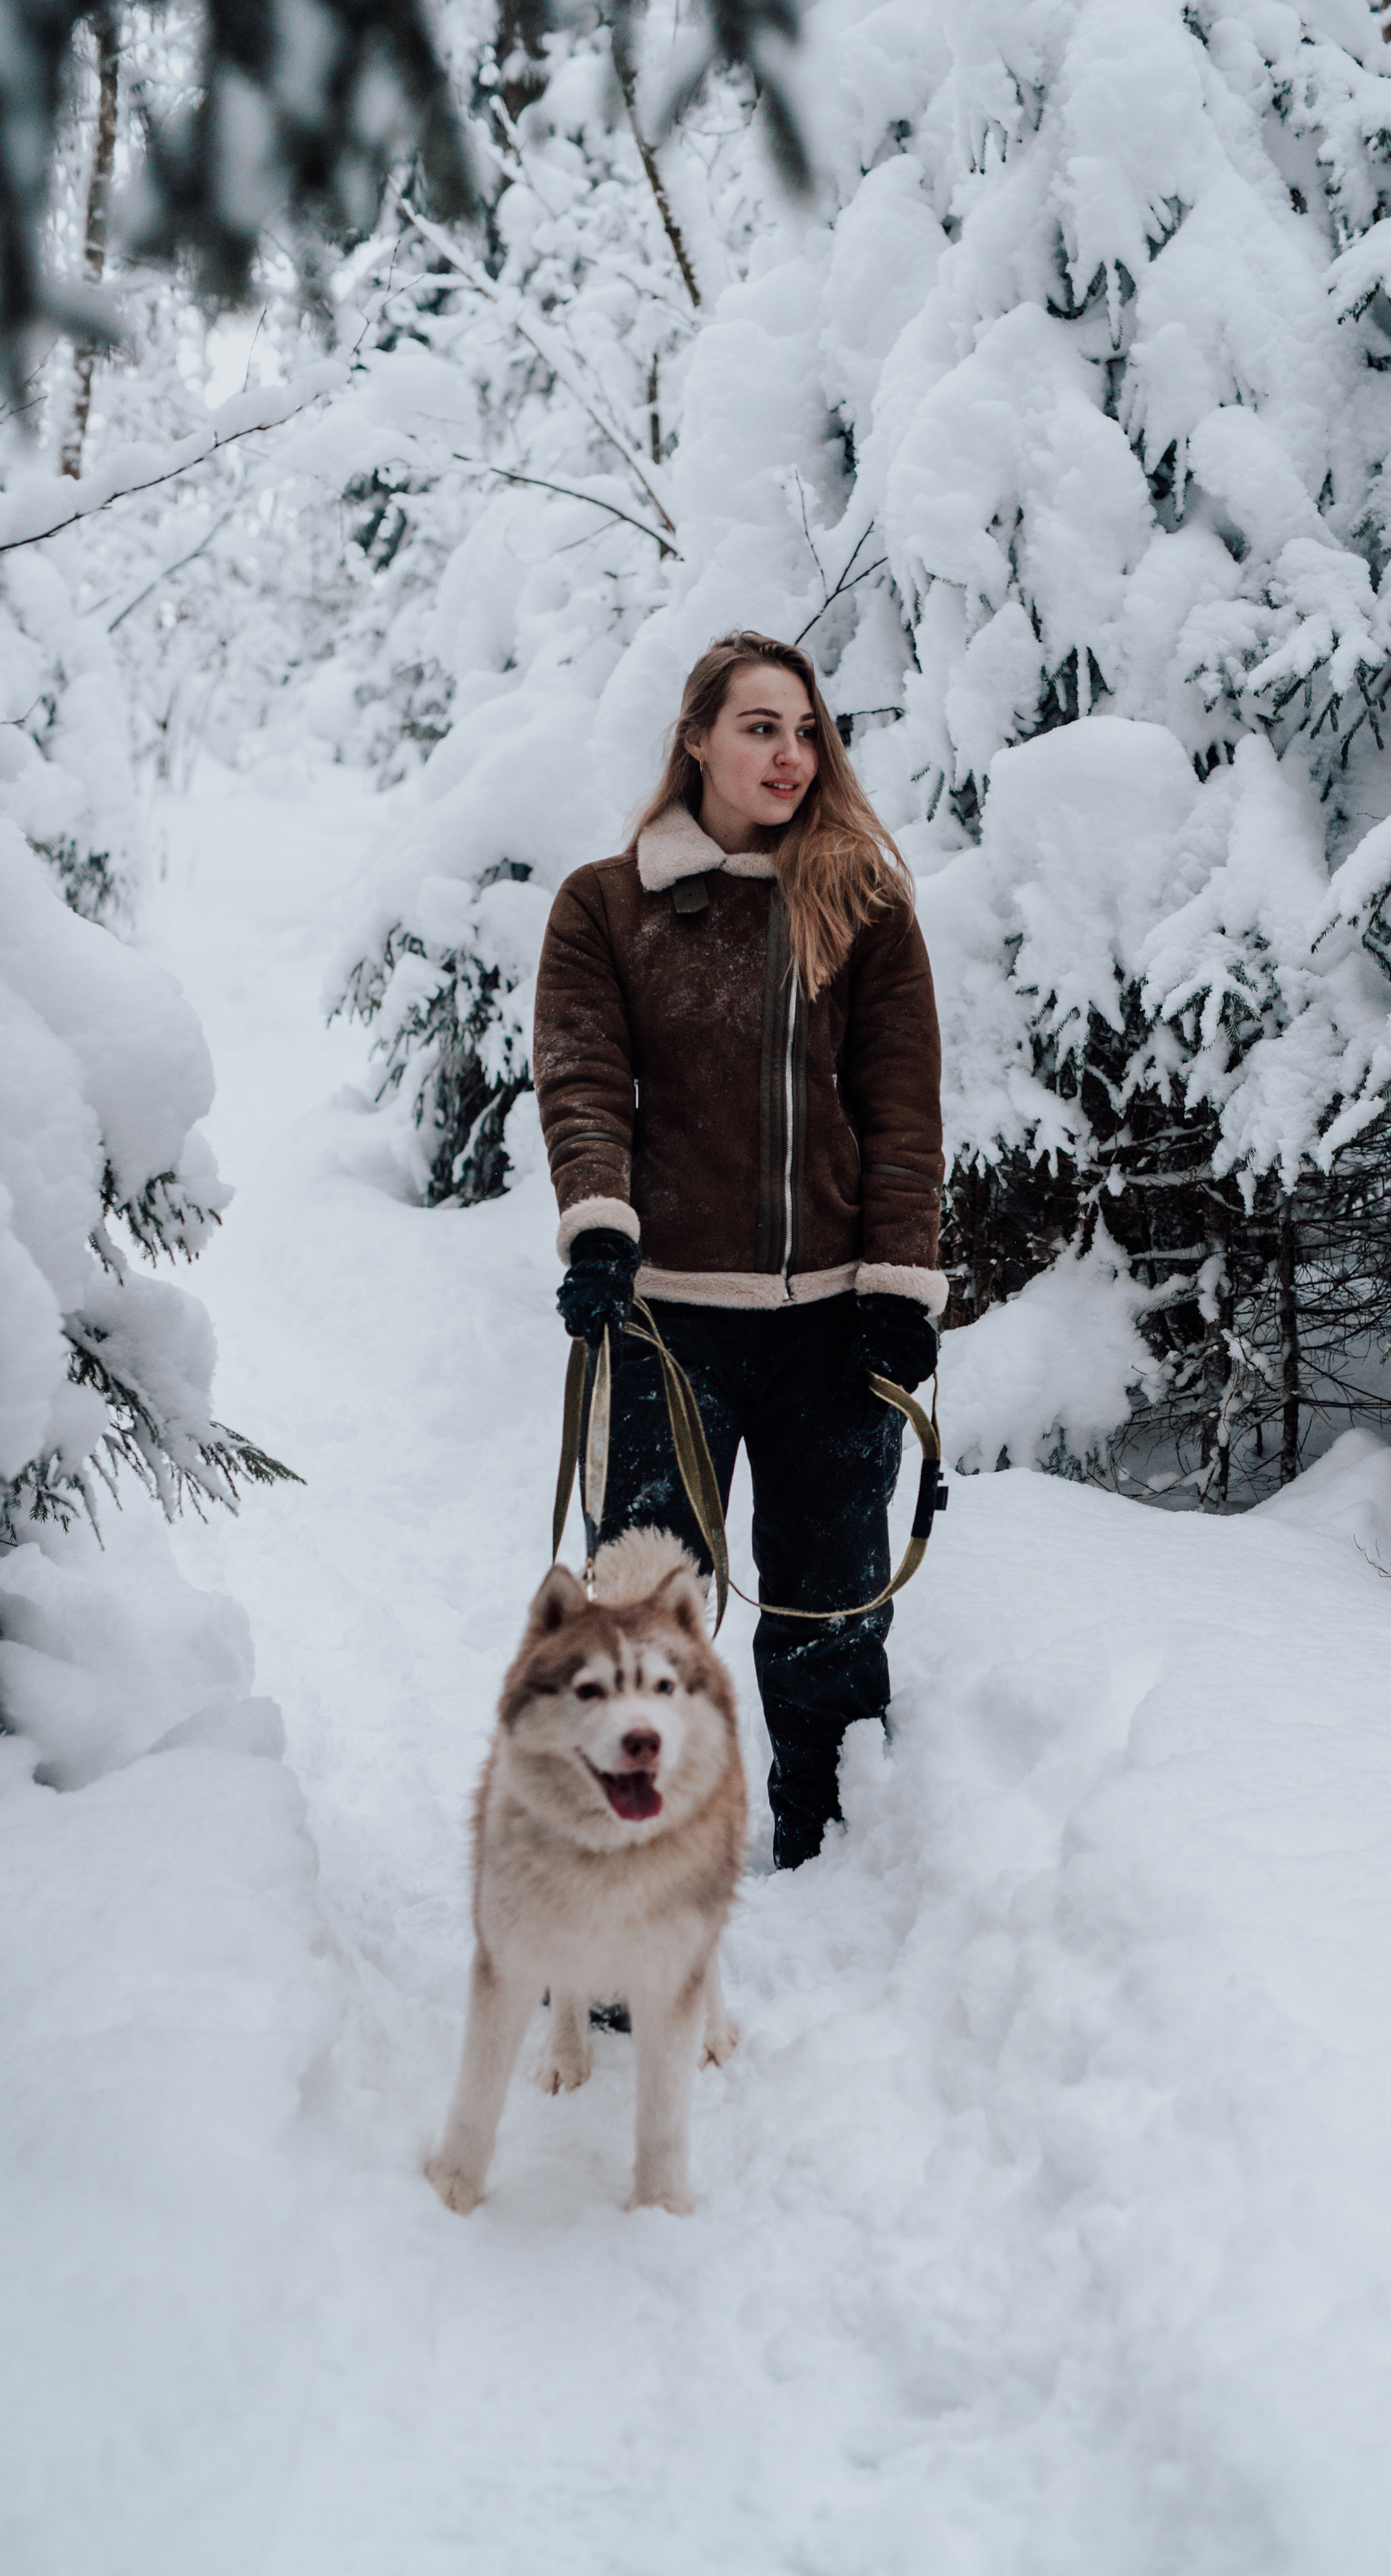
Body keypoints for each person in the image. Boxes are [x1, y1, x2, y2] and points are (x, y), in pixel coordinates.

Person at [534, 630, 946, 1868]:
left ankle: (832, 1852)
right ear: (697, 738)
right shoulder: (607, 905)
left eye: (808, 731)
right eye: (761, 727)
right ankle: (628, 1871)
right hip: (666, 1322)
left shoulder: (863, 906)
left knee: (833, 1607)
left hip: (834, 1324)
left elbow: (903, 1111)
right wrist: (599, 1228)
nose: (790, 754)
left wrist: (899, 1282)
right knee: (641, 1615)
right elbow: (583, 1084)